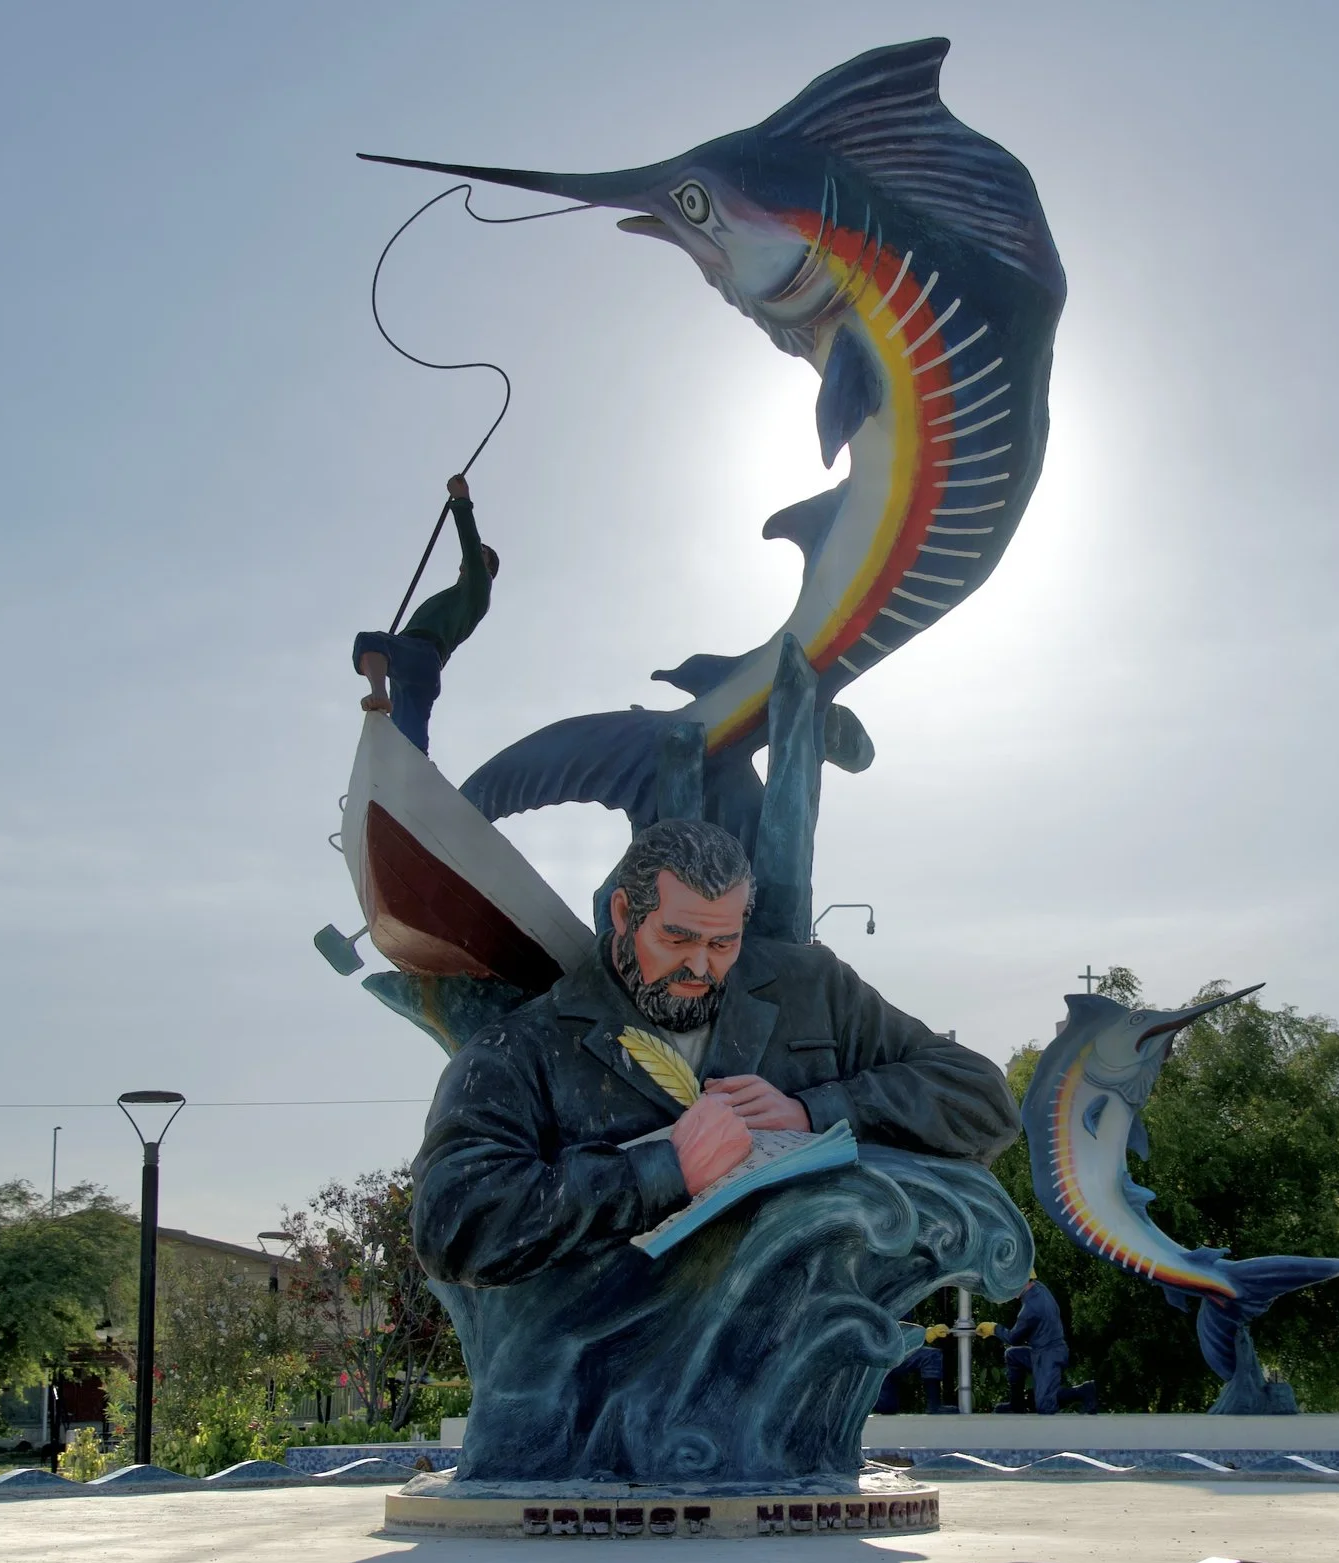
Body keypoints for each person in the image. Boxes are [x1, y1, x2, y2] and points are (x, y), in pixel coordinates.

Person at [411, 817, 1023, 1482]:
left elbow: (982, 1099)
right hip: (590, 1427)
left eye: (723, 941)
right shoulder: (527, 1047)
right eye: (677, 937)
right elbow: (453, 1220)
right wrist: (661, 1171)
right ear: (624, 912)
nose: (701, 965)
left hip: (786, 1433)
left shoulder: (809, 988)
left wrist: (815, 1110)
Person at [352, 474, 500, 756]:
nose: (473, 555)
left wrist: (461, 501)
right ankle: (413, 772)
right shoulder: (458, 595)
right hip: (421, 667)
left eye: (481, 555)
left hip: (420, 652)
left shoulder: (478, 588)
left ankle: (379, 694)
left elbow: (470, 541)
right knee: (407, 740)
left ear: (487, 567)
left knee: (369, 642)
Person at [987, 1275, 1099, 1415]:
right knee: (1012, 1355)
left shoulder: (1031, 1308)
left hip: (1049, 1356)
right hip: (1043, 1351)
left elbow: (1013, 1338)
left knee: (1045, 1406)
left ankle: (1083, 1390)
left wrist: (994, 1328)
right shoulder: (1038, 1287)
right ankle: (1017, 1404)